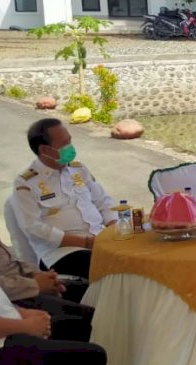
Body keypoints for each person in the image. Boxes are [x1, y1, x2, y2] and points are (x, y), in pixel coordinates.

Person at [0, 142, 95, 342]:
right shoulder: (27, 184)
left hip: (23, 284)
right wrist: (34, 285)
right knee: (85, 321)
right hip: (8, 300)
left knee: (89, 291)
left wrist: (37, 274)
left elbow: (7, 258)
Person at [11, 119, 117, 280]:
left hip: (100, 240)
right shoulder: (26, 183)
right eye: (64, 143)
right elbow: (33, 228)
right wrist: (87, 243)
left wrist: (113, 227)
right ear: (45, 149)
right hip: (62, 253)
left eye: (70, 141)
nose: (70, 147)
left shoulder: (78, 169)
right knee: (118, 270)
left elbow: (103, 201)